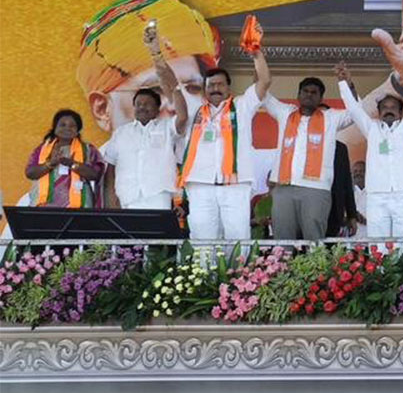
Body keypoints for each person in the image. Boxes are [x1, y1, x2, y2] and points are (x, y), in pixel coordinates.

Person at [78, 0, 220, 138]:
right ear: (102, 109)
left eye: (194, 88)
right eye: (155, 91)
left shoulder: (218, 155)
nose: (183, 107)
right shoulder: (96, 160)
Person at [257, 46, 357, 240]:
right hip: (284, 188)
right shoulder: (284, 113)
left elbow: (355, 112)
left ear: (321, 98)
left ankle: (314, 271)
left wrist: (347, 83)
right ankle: (282, 270)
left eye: (314, 92)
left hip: (316, 189)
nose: (309, 95)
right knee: (283, 240)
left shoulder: (331, 118)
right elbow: (262, 92)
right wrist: (258, 58)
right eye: (305, 91)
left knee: (314, 240)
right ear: (298, 95)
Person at [179, 45, 270, 241]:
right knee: (202, 241)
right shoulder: (195, 111)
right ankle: (203, 273)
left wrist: (256, 53)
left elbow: (264, 81)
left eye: (220, 84)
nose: (215, 89)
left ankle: (238, 273)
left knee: (237, 239)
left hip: (235, 186)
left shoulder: (242, 106)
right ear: (204, 90)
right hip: (201, 185)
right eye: (211, 85)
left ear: (229, 88)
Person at [336, 51, 403, 241]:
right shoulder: (372, 129)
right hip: (377, 195)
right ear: (378, 112)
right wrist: (345, 84)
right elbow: (354, 109)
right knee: (378, 245)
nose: (388, 110)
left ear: (401, 112)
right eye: (384, 108)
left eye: (393, 107)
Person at [100, 20, 190, 211]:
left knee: (156, 241)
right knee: (129, 242)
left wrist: (158, 57)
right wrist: (110, 197)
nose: (142, 107)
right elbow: (111, 169)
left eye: (148, 104)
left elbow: (182, 116)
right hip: (126, 196)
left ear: (158, 109)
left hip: (158, 197)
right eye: (139, 104)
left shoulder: (167, 127)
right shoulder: (121, 133)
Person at [23, 109, 105, 209]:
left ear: (78, 130)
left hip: (79, 208)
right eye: (62, 125)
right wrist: (50, 164)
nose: (67, 128)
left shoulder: (88, 150)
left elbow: (95, 175)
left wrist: (72, 164)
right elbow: (30, 173)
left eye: (72, 126)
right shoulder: (41, 149)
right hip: (44, 207)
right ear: (55, 128)